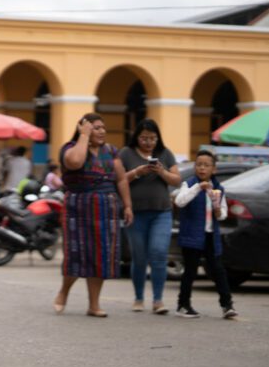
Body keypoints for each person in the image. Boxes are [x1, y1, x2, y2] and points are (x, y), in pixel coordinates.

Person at [53, 114, 133, 318]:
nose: (102, 131)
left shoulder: (111, 151)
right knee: (76, 253)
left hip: (106, 207)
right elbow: (75, 162)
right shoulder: (70, 148)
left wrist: (127, 206)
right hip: (78, 207)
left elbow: (122, 179)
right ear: (83, 129)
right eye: (96, 128)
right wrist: (84, 136)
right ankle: (64, 292)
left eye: (103, 128)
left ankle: (94, 304)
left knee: (101, 256)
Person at [118, 119, 180, 314]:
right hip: (135, 213)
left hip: (161, 212)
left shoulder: (165, 153)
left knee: (159, 253)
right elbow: (118, 179)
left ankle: (158, 300)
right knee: (140, 257)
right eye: (144, 138)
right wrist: (137, 172)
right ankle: (138, 298)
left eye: (152, 138)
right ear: (136, 137)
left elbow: (177, 180)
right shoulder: (125, 154)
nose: (148, 142)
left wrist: (161, 171)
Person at [173, 150, 238, 319]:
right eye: (199, 165)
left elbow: (223, 213)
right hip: (191, 235)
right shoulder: (189, 184)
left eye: (206, 165)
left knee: (218, 270)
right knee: (190, 271)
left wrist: (218, 211)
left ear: (214, 170)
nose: (202, 168)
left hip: (210, 235)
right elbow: (180, 201)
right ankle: (183, 305)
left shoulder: (218, 189)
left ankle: (227, 305)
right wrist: (197, 187)